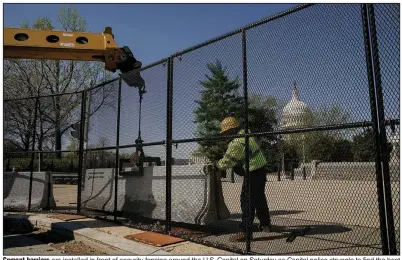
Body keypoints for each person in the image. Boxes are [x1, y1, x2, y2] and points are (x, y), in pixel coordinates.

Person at [210, 115, 272, 242]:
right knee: (259, 197)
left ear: (232, 130)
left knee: (246, 200)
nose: (225, 136)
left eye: (226, 133)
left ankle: (246, 232)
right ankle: (265, 224)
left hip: (253, 170)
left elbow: (227, 162)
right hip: (260, 168)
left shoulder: (237, 142)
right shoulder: (246, 134)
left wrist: (216, 164)